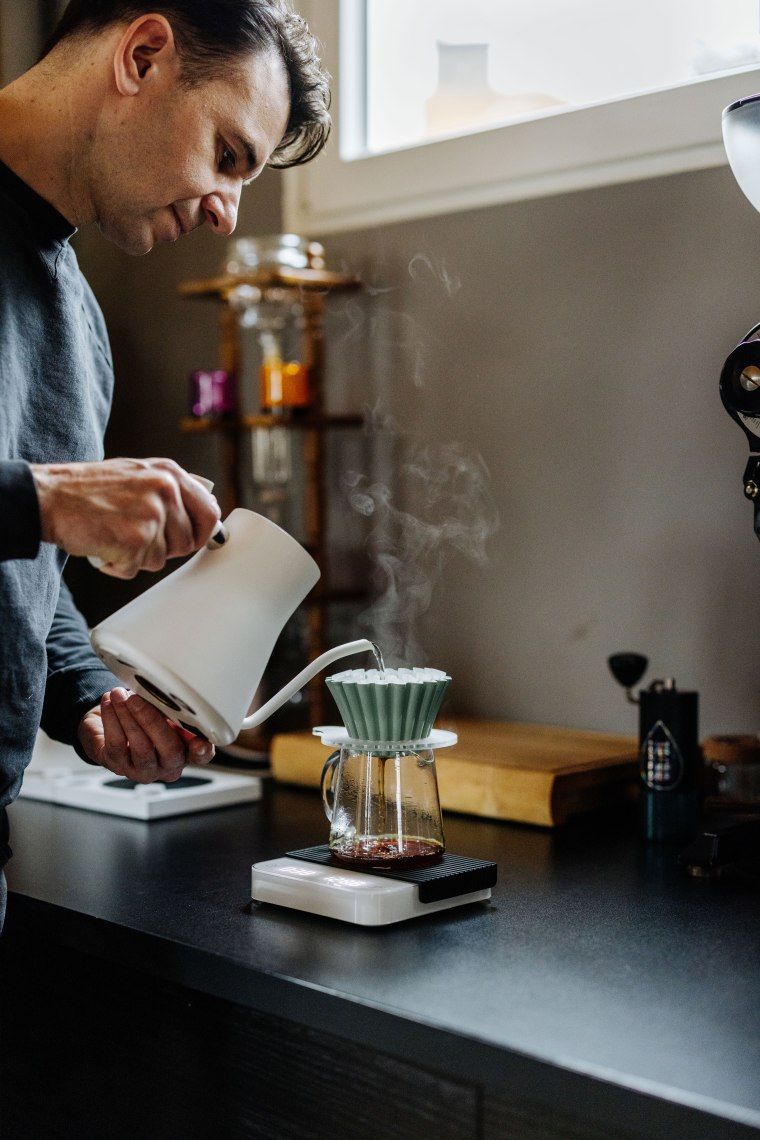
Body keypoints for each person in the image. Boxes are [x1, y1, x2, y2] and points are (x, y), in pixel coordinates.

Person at [0, 0, 331, 927]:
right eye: (227, 154)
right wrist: (43, 500)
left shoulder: (82, 332)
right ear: (143, 56)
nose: (225, 213)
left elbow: (27, 579)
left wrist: (88, 694)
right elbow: (28, 515)